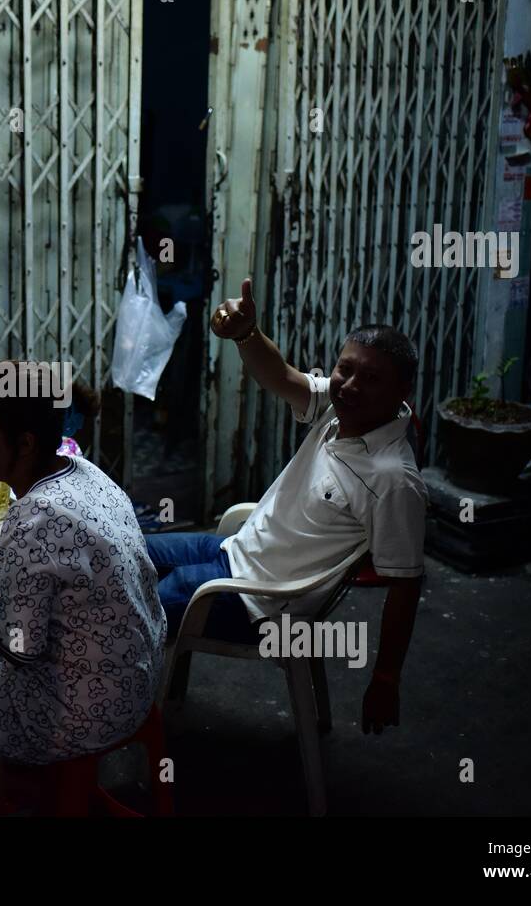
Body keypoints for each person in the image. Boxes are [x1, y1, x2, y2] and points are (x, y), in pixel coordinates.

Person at [146, 277, 427, 734]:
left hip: (263, 604)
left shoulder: (393, 480)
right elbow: (282, 376)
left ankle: (89, 713)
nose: (350, 385)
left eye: (371, 378)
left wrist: (385, 678)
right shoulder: (339, 409)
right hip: (235, 552)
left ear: (402, 390)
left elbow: (405, 586)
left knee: (132, 601)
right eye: (345, 369)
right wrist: (245, 333)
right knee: (127, 548)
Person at [0, 372, 167, 766]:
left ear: (24, 443)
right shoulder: (84, 470)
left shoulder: (32, 519)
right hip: (138, 681)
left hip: (78, 710)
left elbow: (20, 651)